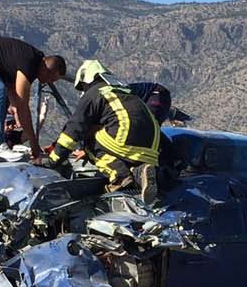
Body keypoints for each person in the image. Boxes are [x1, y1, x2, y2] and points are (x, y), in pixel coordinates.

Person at [48, 60, 169, 200]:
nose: (83, 91)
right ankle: (140, 172)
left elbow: (75, 129)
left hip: (127, 137)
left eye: (82, 87)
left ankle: (120, 177)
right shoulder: (124, 91)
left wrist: (55, 158)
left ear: (86, 79)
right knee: (110, 138)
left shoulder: (94, 93)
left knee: (90, 140)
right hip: (152, 146)